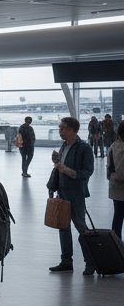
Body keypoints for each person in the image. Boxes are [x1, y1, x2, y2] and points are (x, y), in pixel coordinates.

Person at [47, 116, 95, 274]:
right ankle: (66, 261)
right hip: (62, 192)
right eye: (60, 128)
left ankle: (91, 262)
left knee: (81, 227)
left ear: (72, 130)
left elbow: (88, 171)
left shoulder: (84, 148)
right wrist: (52, 186)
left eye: (63, 128)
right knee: (63, 227)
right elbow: (58, 168)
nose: (60, 131)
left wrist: (67, 170)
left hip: (76, 194)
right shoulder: (63, 146)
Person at [107, 120, 124, 240]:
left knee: (117, 217)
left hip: (115, 188)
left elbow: (109, 169)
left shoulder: (113, 146)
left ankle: (116, 246)